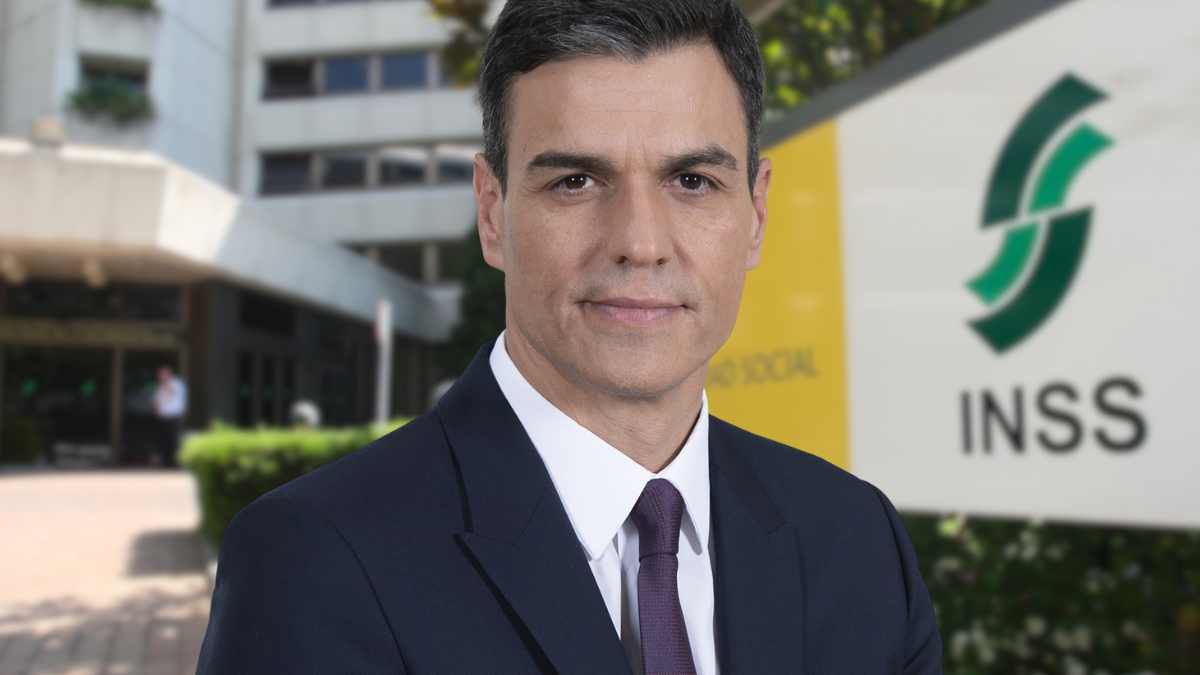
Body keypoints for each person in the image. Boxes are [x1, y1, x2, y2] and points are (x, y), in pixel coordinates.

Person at [197, 1, 943, 672]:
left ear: (755, 214)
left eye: (692, 181)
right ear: (492, 212)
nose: (640, 242)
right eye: (575, 182)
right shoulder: (313, 561)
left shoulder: (857, 539)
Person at [151, 365, 186, 468]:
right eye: (159, 375)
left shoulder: (177, 383)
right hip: (163, 418)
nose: (160, 377)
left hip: (174, 417)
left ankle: (176, 463)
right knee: (164, 440)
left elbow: (171, 392)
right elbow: (156, 401)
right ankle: (166, 463)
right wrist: (156, 409)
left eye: (162, 374)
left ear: (168, 374)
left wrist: (165, 383)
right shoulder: (160, 387)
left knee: (174, 440)